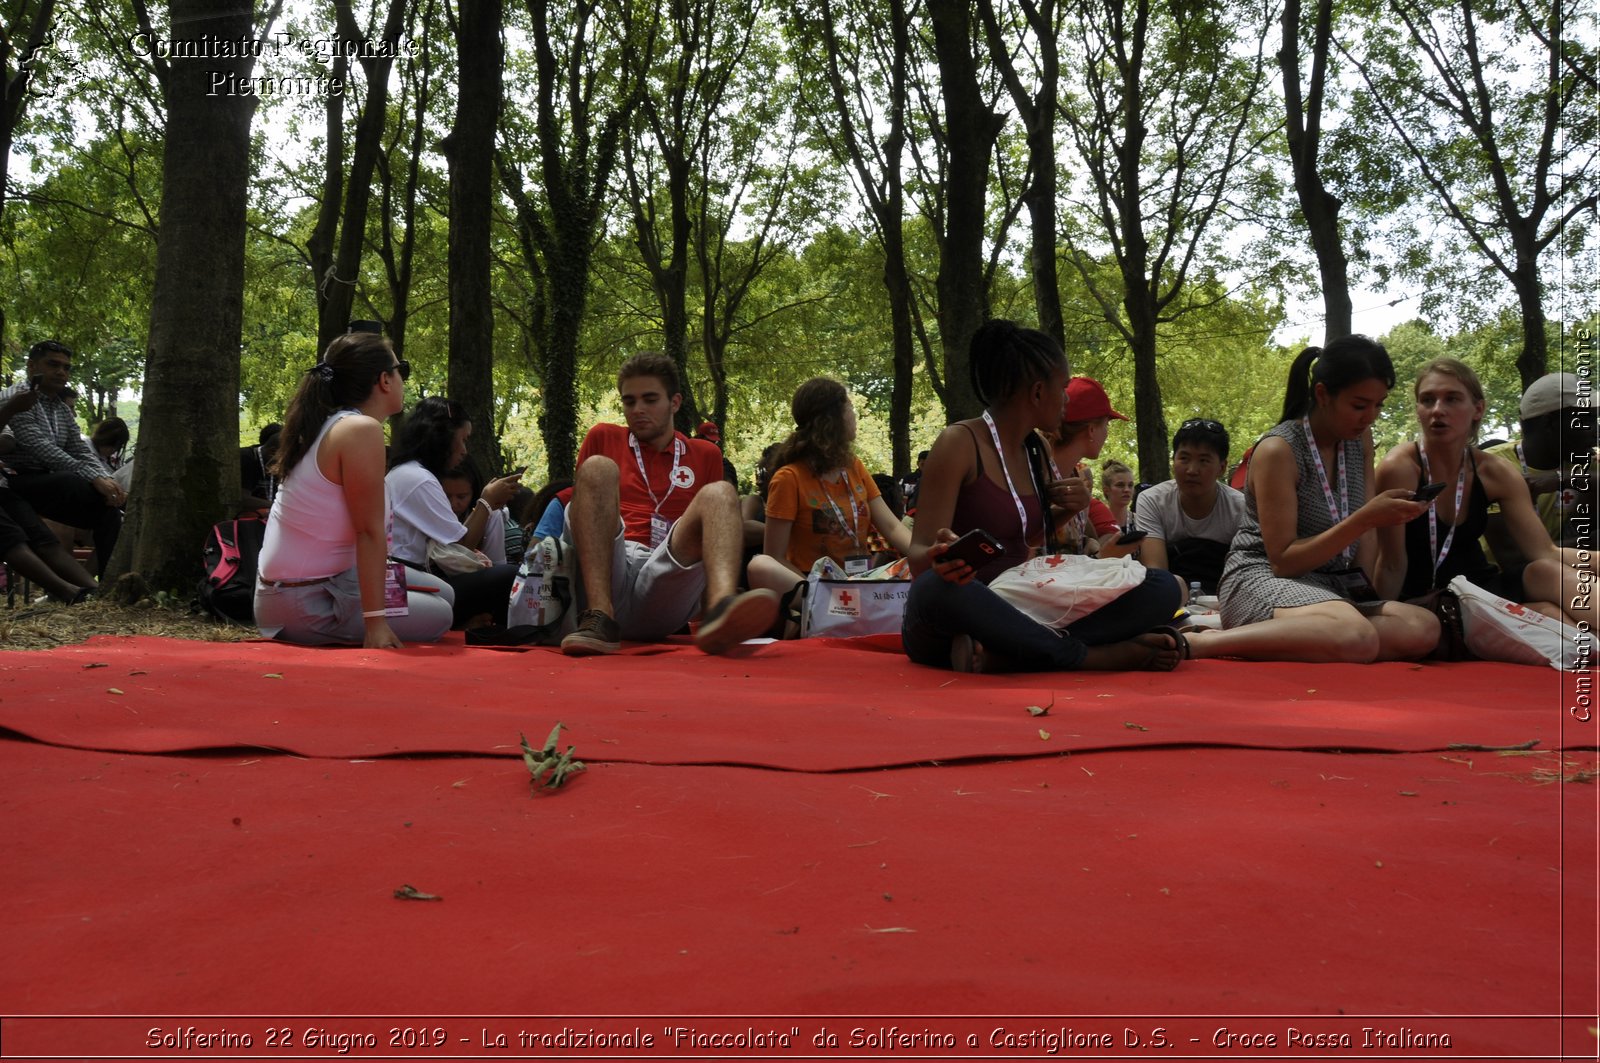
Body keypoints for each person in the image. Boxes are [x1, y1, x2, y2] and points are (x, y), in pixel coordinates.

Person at [902, 320, 1185, 674]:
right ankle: (1092, 656)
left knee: (1163, 586)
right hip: (968, 605)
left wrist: (1069, 510)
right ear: (1037, 393)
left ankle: (1004, 656)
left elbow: (1027, 538)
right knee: (934, 589)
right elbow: (917, 559)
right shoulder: (959, 443)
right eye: (1063, 387)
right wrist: (939, 557)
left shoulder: (1034, 450)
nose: (1067, 399)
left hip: (1027, 600)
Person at [1183, 335, 1438, 663]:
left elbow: (1367, 537)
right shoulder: (1280, 449)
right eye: (1359, 405)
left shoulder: (1358, 441)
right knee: (1356, 635)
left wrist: (1364, 595)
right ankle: (1208, 644)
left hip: (1329, 587)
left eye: (1379, 405)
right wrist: (1365, 518)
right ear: (1323, 394)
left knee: (1422, 627)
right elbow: (1284, 560)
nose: (1370, 417)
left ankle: (1324, 636)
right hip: (1261, 577)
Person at [561, 351, 777, 656]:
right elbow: (575, 513)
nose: (637, 410)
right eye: (629, 401)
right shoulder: (603, 436)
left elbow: (710, 538)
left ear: (674, 402)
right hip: (609, 569)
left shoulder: (705, 454)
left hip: (664, 583)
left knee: (721, 494)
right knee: (597, 467)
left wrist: (703, 608)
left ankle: (720, 610)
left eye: (650, 399)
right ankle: (599, 617)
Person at [254, 333, 453, 648]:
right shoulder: (360, 430)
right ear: (384, 380)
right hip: (303, 603)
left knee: (446, 593)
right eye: (402, 369)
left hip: (315, 584)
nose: (403, 378)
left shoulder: (333, 424)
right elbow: (369, 531)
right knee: (441, 613)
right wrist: (376, 624)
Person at [1374, 358, 1593, 628]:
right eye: (1427, 400)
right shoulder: (1400, 467)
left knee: (1545, 573)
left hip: (1482, 591)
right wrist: (1376, 621)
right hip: (1424, 601)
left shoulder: (1494, 471)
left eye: (1452, 399)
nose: (1438, 410)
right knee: (1549, 613)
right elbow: (1391, 564)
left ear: (1478, 409)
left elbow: (1545, 553)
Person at [746, 377, 913, 611]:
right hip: (814, 587)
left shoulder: (855, 467)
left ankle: (847, 612)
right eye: (850, 408)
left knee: (918, 568)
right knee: (760, 566)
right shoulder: (788, 478)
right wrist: (819, 588)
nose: (855, 416)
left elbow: (893, 528)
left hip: (863, 582)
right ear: (832, 418)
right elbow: (775, 557)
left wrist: (927, 554)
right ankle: (834, 610)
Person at [386, 396, 523, 627]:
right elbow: (461, 546)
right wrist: (487, 502)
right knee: (510, 577)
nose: (464, 450)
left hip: (403, 578)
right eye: (463, 440)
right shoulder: (418, 479)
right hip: (398, 581)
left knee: (453, 594)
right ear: (445, 438)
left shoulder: (406, 473)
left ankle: (468, 622)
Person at [0, 341, 121, 574]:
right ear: (31, 366)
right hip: (14, 481)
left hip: (49, 481)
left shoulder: (61, 408)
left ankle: (110, 584)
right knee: (71, 481)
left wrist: (107, 479)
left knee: (109, 509)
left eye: (66, 367)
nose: (61, 372)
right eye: (53, 364)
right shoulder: (17, 398)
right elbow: (42, 449)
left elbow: (80, 448)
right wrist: (94, 478)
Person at [0, 388, 97, 604]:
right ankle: (68, 592)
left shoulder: (59, 411)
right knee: (11, 539)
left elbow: (6, 441)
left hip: (2, 487)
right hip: (13, 483)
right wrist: (10, 410)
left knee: (42, 536)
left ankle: (93, 591)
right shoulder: (10, 404)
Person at [1132, 418, 1248, 597]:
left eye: (1204, 460)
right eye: (1184, 458)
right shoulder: (1152, 500)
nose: (1192, 470)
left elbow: (1245, 573)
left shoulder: (1240, 507)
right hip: (1171, 597)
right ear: (1173, 461)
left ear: (1222, 467)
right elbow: (1157, 574)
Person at [1483, 373, 1596, 553]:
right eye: (1586, 420)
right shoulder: (1492, 467)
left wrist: (1564, 478)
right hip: (1497, 579)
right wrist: (1590, 542)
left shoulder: (1583, 463)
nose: (1596, 431)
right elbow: (1515, 558)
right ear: (1549, 422)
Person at [1048, 377, 1126, 554]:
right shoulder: (1036, 472)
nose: (1106, 433)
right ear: (1091, 430)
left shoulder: (1083, 474)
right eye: (1106, 424)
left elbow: (1081, 531)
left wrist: (1091, 542)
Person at [1101, 459, 1135, 530]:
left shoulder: (1142, 522)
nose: (1127, 490)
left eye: (1130, 485)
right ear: (1106, 490)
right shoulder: (1098, 523)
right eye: (1120, 485)